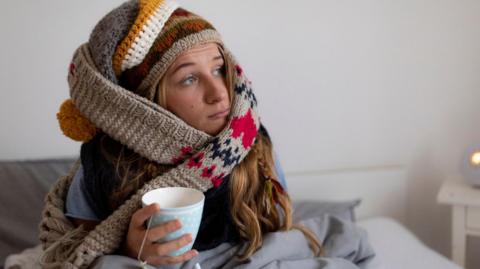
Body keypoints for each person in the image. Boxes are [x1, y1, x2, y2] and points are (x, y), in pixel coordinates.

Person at [39, 0, 321, 268]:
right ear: (143, 102)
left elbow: (279, 224)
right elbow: (77, 257)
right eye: (189, 79)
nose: (219, 93)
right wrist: (128, 249)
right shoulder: (103, 165)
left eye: (219, 69)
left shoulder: (252, 140)